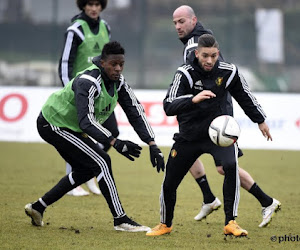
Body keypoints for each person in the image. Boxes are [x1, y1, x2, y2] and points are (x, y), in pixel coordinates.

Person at [25, 41, 165, 232]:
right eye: (113, 64)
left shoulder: (119, 82)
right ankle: (121, 220)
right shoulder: (88, 82)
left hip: (70, 126)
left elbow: (135, 111)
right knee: (102, 160)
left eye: (121, 65)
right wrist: (114, 142)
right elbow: (86, 121)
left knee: (87, 169)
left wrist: (152, 143)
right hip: (53, 123)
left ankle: (38, 207)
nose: (118, 69)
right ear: (102, 63)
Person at [146, 34, 273, 237]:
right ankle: (165, 224)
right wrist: (192, 99)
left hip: (218, 135)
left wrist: (260, 120)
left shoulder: (229, 72)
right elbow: (168, 105)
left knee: (231, 167)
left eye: (214, 55)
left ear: (218, 54)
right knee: (170, 181)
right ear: (197, 54)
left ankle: (231, 222)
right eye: (205, 55)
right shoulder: (184, 74)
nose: (209, 60)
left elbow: (244, 96)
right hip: (189, 135)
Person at [171, 5, 281, 227]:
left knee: (216, 162)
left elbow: (204, 81)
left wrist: (259, 118)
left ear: (194, 20)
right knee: (190, 148)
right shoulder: (202, 37)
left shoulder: (195, 45)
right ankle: (210, 198)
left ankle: (264, 201)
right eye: (175, 23)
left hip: (213, 113)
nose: (178, 26)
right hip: (205, 111)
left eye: (182, 21)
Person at [58, 0, 118, 196]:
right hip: (79, 93)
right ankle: (73, 183)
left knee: (112, 132)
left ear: (102, 6)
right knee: (76, 135)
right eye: (89, 4)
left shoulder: (105, 27)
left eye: (97, 4)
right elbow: (65, 62)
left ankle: (89, 172)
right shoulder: (76, 29)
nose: (94, 8)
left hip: (100, 93)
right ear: (83, 6)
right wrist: (70, 91)